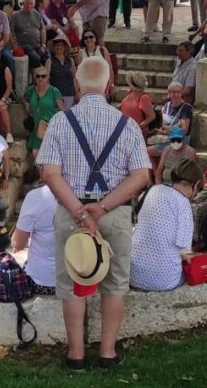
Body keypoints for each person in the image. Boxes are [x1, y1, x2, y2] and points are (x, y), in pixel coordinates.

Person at [37, 55, 150, 370]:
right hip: (113, 213)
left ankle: (75, 356)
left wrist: (79, 211)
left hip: (71, 213)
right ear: (110, 85)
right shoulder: (128, 125)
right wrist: (101, 207)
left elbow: (49, 174)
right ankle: (108, 353)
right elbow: (141, 176)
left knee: (73, 281)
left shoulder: (60, 121)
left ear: (76, 85)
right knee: (115, 282)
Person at [130, 159, 203, 292]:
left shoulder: (153, 190)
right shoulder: (183, 204)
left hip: (133, 274)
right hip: (164, 281)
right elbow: (185, 252)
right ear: (196, 185)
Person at [11, 183, 58, 295]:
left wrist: (15, 238)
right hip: (79, 279)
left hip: (43, 282)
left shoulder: (36, 196)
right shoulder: (84, 195)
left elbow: (18, 244)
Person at [22, 66, 64, 158]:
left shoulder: (54, 91)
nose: (40, 78)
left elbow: (63, 111)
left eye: (43, 76)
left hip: (49, 128)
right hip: (36, 128)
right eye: (38, 76)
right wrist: (26, 104)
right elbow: (23, 98)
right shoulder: (31, 90)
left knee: (49, 157)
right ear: (34, 78)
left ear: (48, 78)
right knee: (35, 154)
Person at [147, 82, 194, 160]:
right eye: (174, 92)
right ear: (169, 93)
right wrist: (164, 130)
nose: (176, 95)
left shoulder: (186, 108)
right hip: (165, 138)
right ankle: (157, 171)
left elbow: (184, 130)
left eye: (178, 92)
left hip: (178, 140)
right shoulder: (166, 106)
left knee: (145, 152)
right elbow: (163, 125)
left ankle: (157, 172)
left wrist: (169, 130)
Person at [11, 0, 49, 69]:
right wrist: (15, 47)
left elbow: (42, 29)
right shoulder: (16, 16)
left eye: (31, 4)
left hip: (38, 46)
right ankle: (36, 79)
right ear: (22, 4)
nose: (29, 6)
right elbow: (11, 32)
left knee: (48, 59)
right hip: (25, 46)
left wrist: (43, 45)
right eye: (27, 3)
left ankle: (47, 78)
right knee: (36, 59)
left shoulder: (37, 15)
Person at [119, 72, 156, 139]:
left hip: (137, 133)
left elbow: (152, 116)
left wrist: (139, 126)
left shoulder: (143, 97)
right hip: (125, 130)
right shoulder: (130, 92)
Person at [48, 35, 77, 110]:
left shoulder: (70, 60)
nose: (59, 47)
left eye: (61, 45)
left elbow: (74, 78)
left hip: (69, 93)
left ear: (64, 47)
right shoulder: (49, 61)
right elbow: (47, 79)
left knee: (69, 118)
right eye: (56, 45)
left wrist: (76, 92)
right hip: (55, 95)